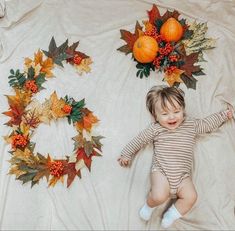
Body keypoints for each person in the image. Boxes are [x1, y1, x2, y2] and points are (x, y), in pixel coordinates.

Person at [117, 86, 233, 228]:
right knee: (159, 195)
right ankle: (149, 206)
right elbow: (139, 140)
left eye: (177, 111)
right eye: (165, 114)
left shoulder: (191, 124)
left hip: (183, 177)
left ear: (183, 109)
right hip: (162, 171)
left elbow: (207, 124)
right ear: (155, 115)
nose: (172, 117)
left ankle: (172, 213)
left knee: (191, 197)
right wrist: (126, 153)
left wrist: (223, 115)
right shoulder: (156, 128)